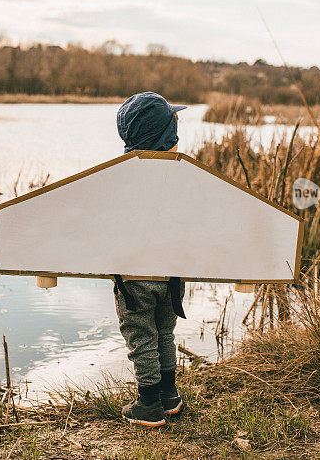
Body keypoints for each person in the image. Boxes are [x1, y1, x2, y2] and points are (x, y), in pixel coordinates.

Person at [114, 91, 187, 427]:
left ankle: (149, 403)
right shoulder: (185, 179)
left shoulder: (117, 181)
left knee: (141, 336)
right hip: (172, 276)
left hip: (134, 280)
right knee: (164, 333)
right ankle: (169, 395)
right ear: (168, 139)